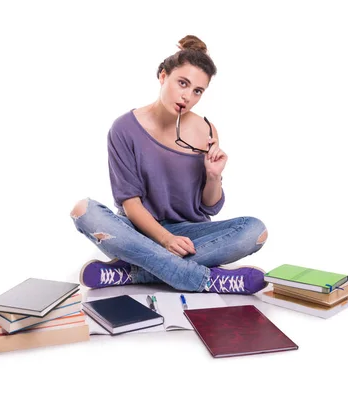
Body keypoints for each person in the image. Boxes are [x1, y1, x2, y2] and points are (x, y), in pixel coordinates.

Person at [70, 35, 269, 294]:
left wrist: (213, 176)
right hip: (139, 230)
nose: (187, 96)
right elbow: (130, 204)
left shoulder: (206, 130)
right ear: (163, 76)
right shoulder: (124, 128)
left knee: (255, 231)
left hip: (191, 235)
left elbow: (210, 205)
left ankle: (134, 273)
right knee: (83, 211)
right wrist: (165, 239)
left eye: (197, 91)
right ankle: (203, 279)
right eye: (182, 83)